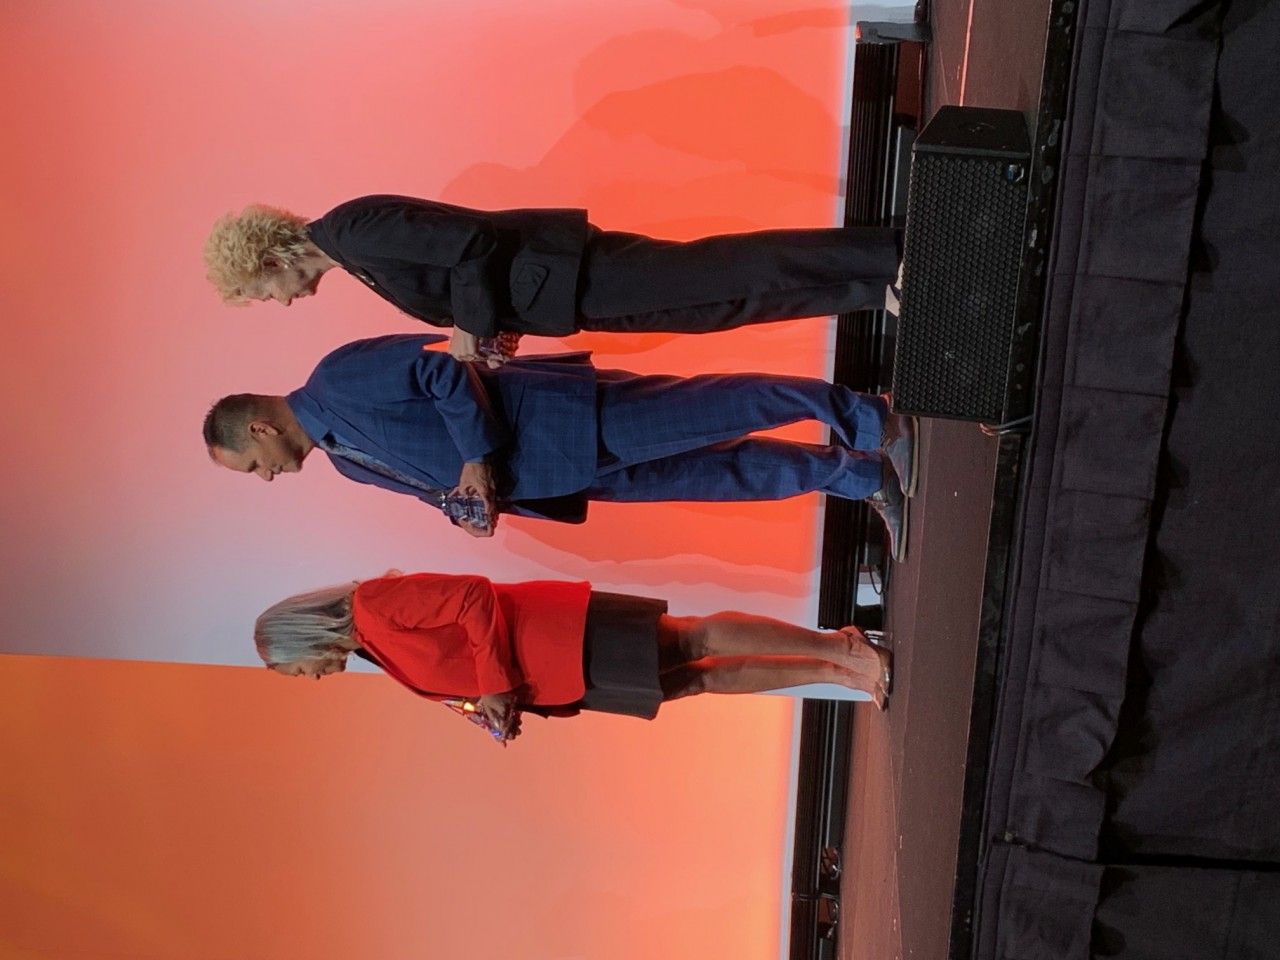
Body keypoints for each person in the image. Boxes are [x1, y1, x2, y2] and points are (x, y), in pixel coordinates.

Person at [203, 334, 917, 559]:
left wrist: (477, 462)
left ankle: (867, 417)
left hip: (561, 421)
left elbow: (440, 370)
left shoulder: (337, 379)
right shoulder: (341, 457)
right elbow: (438, 465)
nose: (266, 478)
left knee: (723, 406)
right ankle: (862, 477)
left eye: (252, 467)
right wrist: (465, 504)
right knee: (724, 473)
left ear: (260, 428)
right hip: (557, 472)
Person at [203, 195, 900, 364]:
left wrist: (471, 332)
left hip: (575, 271)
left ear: (268, 261)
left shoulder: (353, 230)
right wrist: (493, 330)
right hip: (562, 294)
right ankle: (875, 286)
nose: (279, 301)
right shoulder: (352, 258)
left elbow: (470, 243)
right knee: (722, 302)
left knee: (730, 272)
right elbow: (467, 271)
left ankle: (884, 257)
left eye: (263, 291)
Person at [254, 572, 895, 736]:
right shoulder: (372, 648)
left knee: (694, 639)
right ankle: (836, 672)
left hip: (564, 635)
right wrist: (494, 705)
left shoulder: (374, 605)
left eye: (297, 669)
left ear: (302, 639)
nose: (311, 677)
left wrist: (494, 685)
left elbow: (473, 598)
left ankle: (840, 648)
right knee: (693, 684)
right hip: (559, 676)